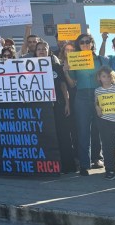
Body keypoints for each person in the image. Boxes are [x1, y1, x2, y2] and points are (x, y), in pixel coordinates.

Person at [62, 33, 108, 176]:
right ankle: (84, 164)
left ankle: (97, 158)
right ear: (79, 45)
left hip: (98, 95)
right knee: (83, 130)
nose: (85, 44)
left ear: (92, 43)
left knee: (98, 129)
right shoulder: (74, 60)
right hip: (81, 96)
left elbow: (109, 79)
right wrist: (66, 72)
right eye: (82, 42)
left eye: (88, 41)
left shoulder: (102, 60)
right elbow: (72, 83)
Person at [35, 41, 76, 173]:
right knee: (45, 137)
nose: (41, 51)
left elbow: (63, 86)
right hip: (41, 108)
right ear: (35, 52)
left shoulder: (56, 67)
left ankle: (68, 166)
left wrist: (67, 103)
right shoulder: (29, 68)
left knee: (63, 135)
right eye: (39, 49)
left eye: (44, 49)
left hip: (58, 105)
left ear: (48, 51)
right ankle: (48, 166)